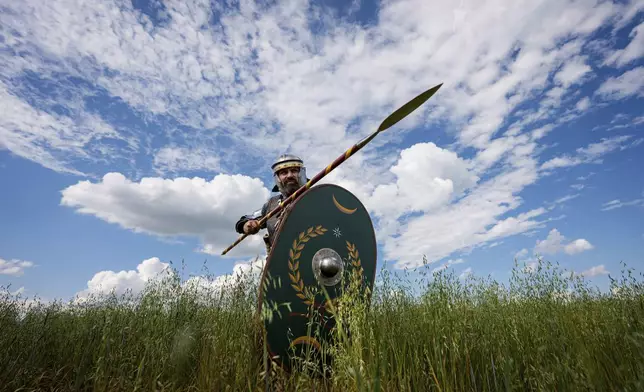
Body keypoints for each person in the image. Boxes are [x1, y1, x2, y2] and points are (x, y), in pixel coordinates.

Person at [235, 153, 309, 253]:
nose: (290, 175)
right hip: (283, 260)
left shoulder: (319, 197)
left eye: (294, 171)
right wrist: (247, 225)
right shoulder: (271, 205)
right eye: (284, 173)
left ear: (301, 173)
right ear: (278, 178)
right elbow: (248, 219)